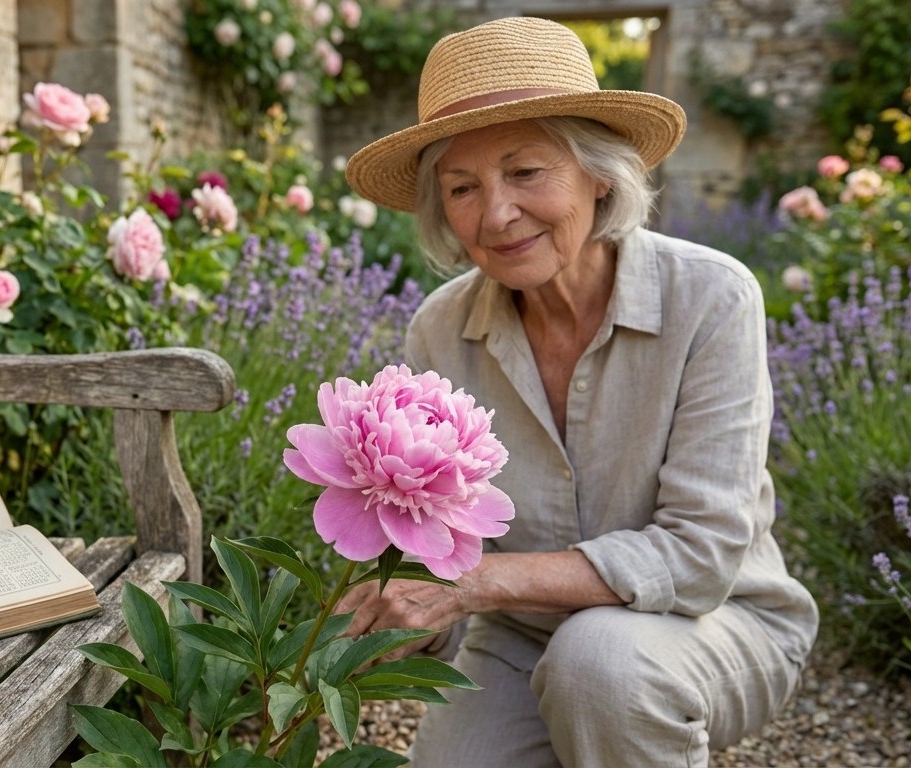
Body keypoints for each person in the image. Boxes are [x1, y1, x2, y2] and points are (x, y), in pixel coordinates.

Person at [338, 16, 818, 767]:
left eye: (526, 173)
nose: (494, 214)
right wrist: (407, 611)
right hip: (520, 632)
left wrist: (472, 584)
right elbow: (452, 550)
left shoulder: (712, 299)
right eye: (461, 188)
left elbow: (699, 556)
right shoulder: (440, 330)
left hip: (714, 622)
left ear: (600, 174)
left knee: (600, 667)